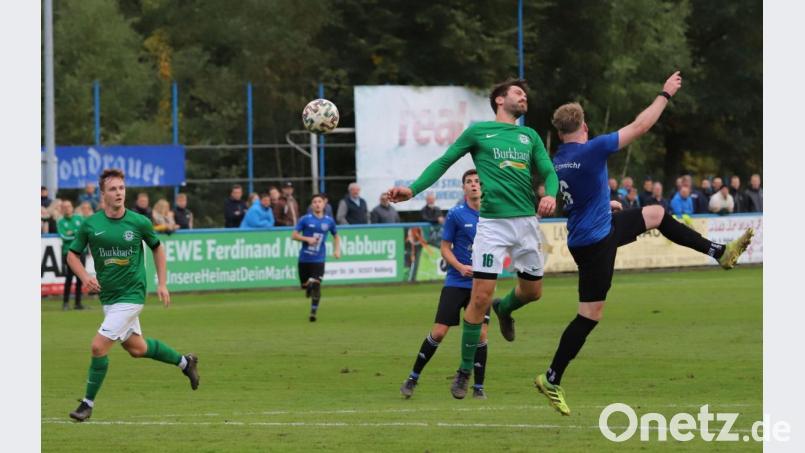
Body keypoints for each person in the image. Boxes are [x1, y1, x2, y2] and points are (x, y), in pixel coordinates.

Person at [539, 71, 753, 416]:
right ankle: (551, 377)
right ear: (585, 127)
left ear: (560, 132)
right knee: (589, 315)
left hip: (596, 229)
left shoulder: (557, 160)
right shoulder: (593, 149)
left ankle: (719, 252)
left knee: (655, 213)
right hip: (595, 242)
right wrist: (665, 94)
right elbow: (640, 126)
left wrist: (601, 203)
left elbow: (573, 195)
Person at [387, 78, 559, 399]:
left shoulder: (529, 135)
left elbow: (549, 171)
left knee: (533, 293)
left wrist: (550, 194)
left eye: (525, 93)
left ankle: (505, 310)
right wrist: (412, 189)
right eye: (518, 93)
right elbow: (443, 162)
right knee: (479, 298)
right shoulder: (478, 132)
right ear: (499, 100)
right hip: (492, 224)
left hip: (525, 223)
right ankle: (465, 370)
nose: (525, 97)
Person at [66, 168, 199, 422]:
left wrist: (162, 283)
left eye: (121, 188)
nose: (119, 193)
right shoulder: (91, 224)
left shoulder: (139, 222)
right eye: (113, 189)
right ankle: (185, 362)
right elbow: (72, 255)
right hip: (110, 299)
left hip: (132, 296)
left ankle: (87, 404)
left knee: (97, 347)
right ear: (103, 194)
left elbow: (158, 249)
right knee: (137, 348)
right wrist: (85, 277)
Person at [400, 169, 491, 400]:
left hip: (482, 285)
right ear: (463, 188)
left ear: (483, 186)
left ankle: (478, 388)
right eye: (469, 182)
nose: (473, 185)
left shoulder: (494, 214)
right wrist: (460, 266)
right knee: (439, 332)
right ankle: (412, 378)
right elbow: (444, 248)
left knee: (481, 334)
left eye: (477, 182)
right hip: (456, 282)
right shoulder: (456, 214)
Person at [292, 194, 341, 322]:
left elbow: (336, 236)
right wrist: (307, 238)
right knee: (304, 285)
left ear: (324, 204)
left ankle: (313, 312)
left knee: (317, 284)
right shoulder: (305, 219)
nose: (317, 204)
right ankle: (307, 286)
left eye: (319, 202)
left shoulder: (329, 221)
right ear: (312, 205)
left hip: (319, 259)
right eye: (314, 202)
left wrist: (337, 250)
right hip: (304, 259)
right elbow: (294, 235)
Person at [57, 200, 86, 310]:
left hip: (80, 251)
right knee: (69, 277)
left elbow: (83, 233)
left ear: (72, 207)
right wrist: (76, 233)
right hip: (68, 252)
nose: (67, 208)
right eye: (64, 207)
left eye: (68, 206)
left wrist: (72, 231)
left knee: (80, 278)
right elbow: (64, 237)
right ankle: (65, 303)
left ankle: (78, 303)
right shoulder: (60, 221)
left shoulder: (79, 218)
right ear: (62, 209)